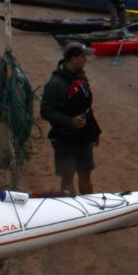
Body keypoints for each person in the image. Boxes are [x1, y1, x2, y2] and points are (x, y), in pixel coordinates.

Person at [40, 42, 102, 196]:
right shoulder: (54, 84)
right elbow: (46, 112)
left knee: (86, 175)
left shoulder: (82, 77)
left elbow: (86, 107)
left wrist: (94, 132)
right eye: (83, 56)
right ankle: (71, 212)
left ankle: (90, 210)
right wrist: (70, 121)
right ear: (72, 58)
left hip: (83, 137)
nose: (86, 60)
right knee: (67, 178)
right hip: (64, 138)